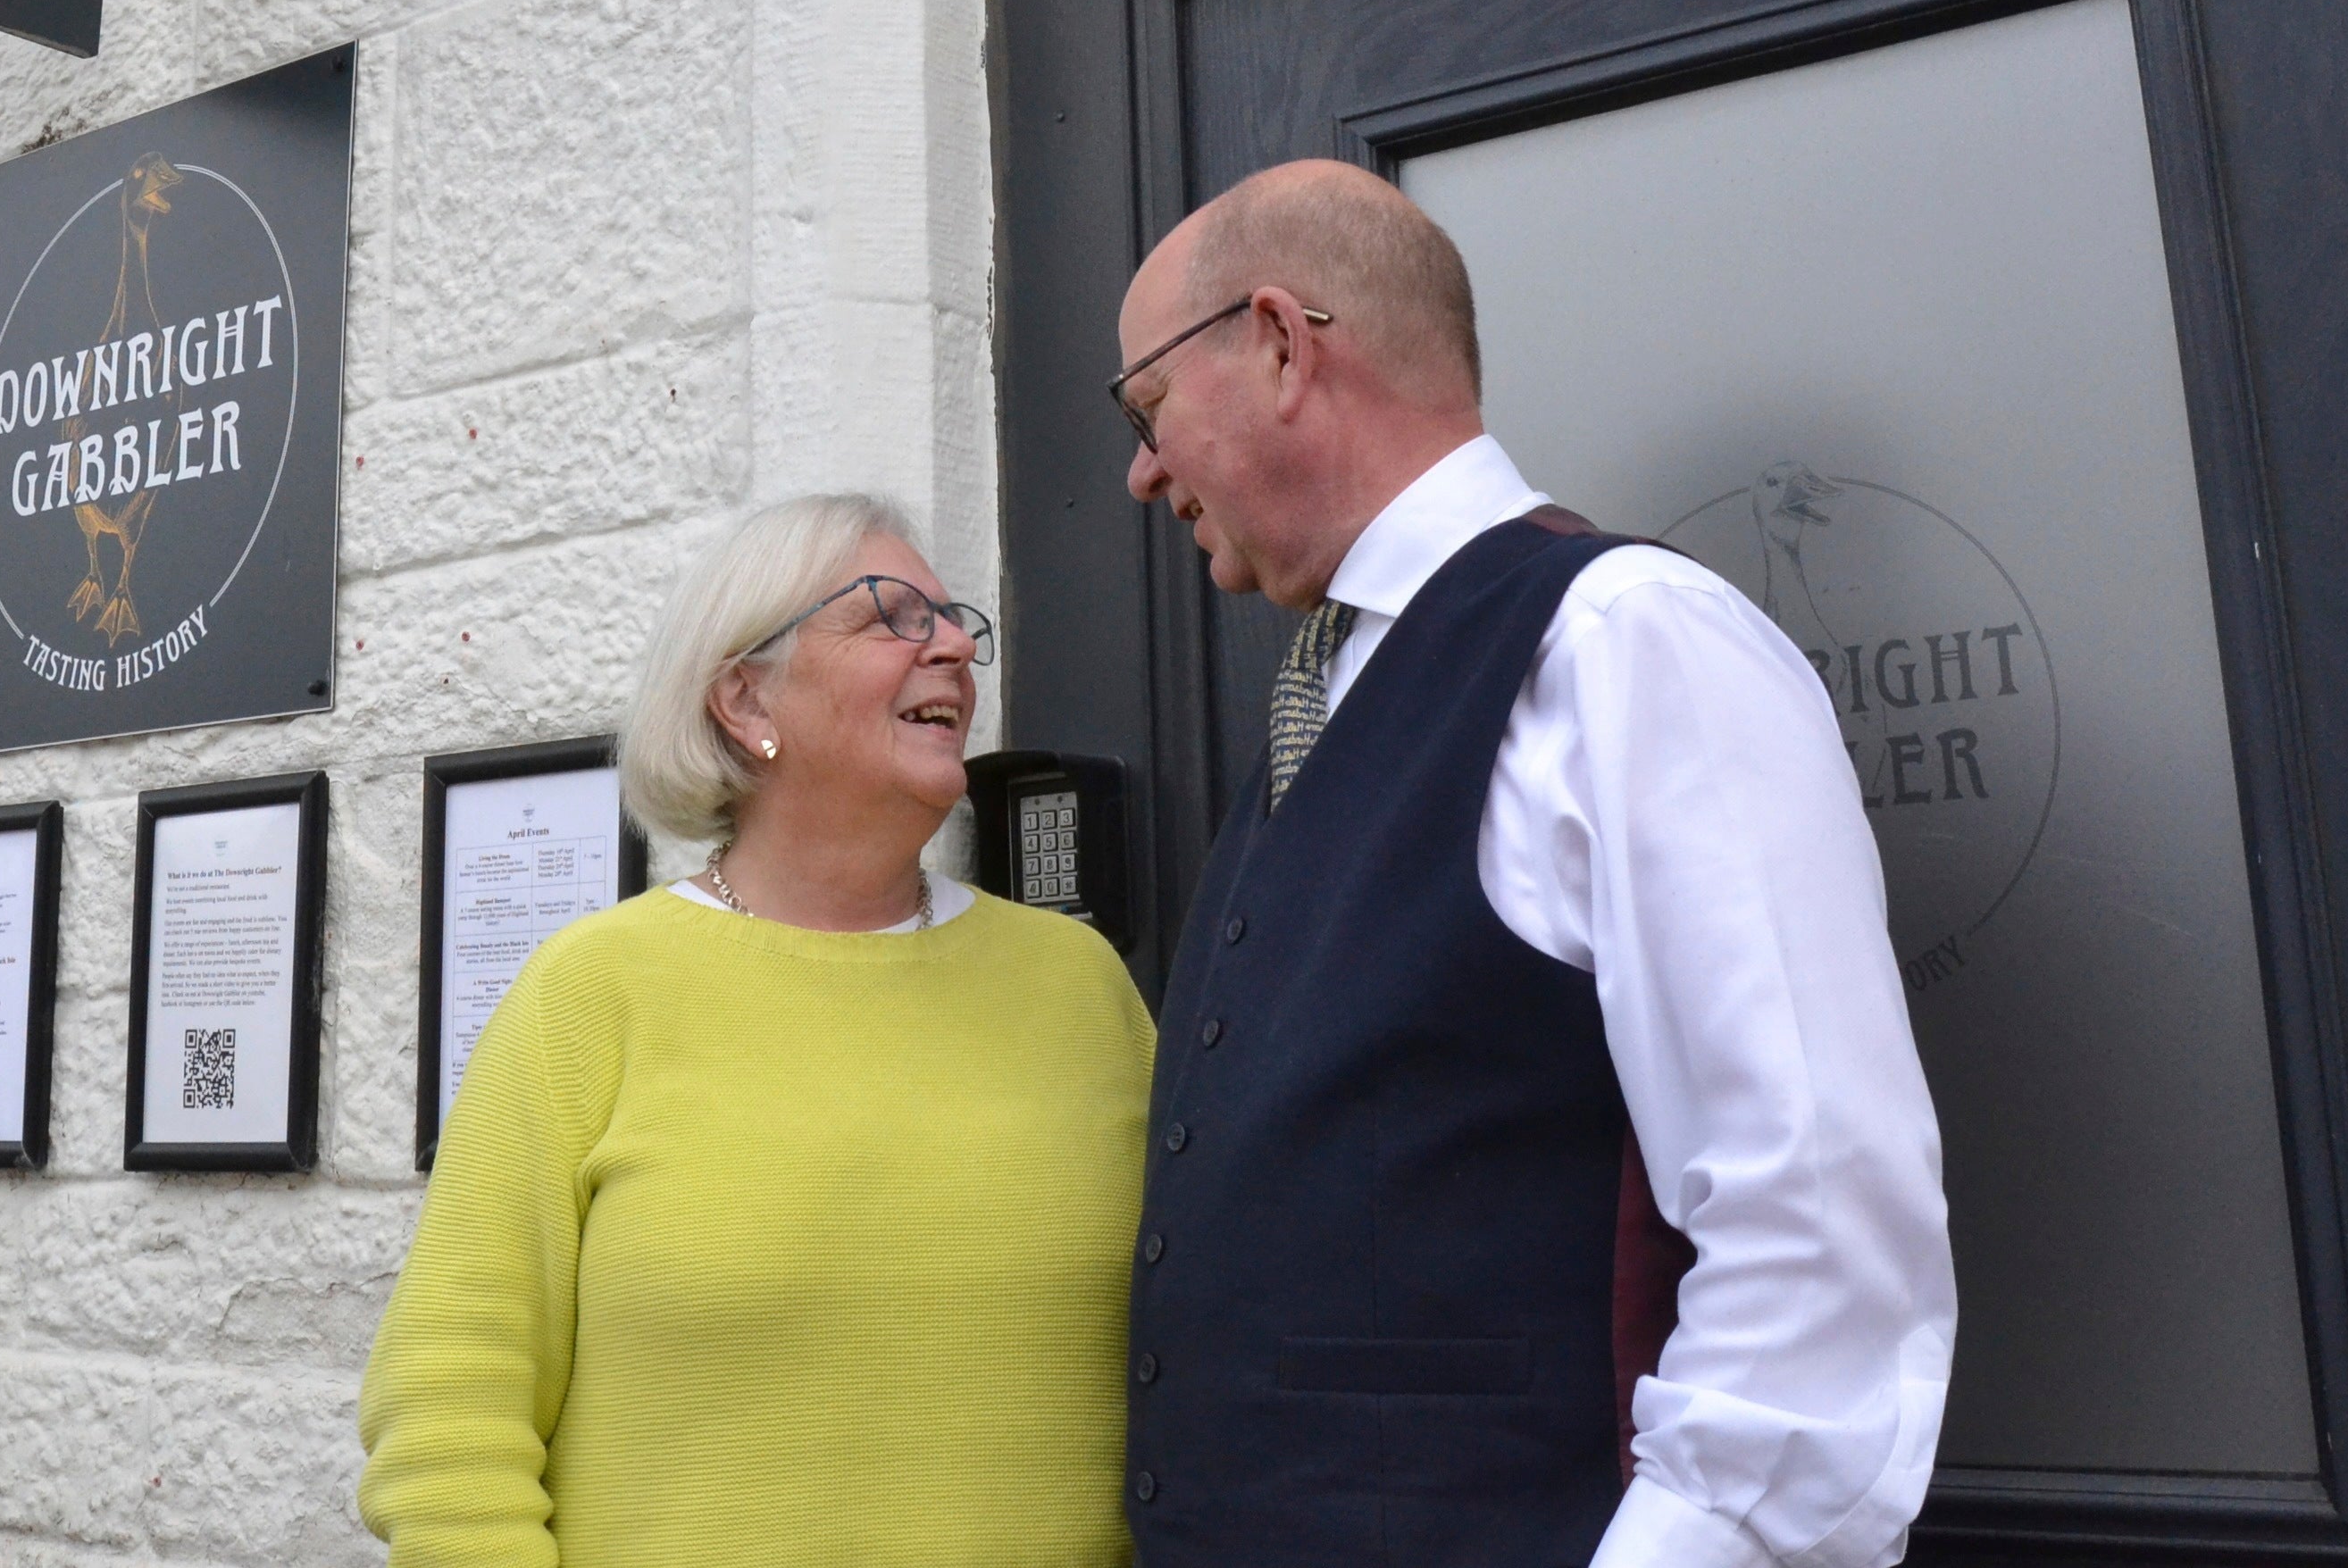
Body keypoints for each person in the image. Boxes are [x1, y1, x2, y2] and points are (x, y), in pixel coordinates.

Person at [1111, 160, 1953, 1568]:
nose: (1141, 472)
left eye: (1147, 411)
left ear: (1276, 344)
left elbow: (1814, 1214)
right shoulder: (1325, 700)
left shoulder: (1629, 642)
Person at [358, 493, 1156, 1568]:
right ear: (744, 697)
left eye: (957, 619)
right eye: (892, 616)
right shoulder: (594, 993)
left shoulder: (1078, 988)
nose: (959, 647)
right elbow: (448, 1414)